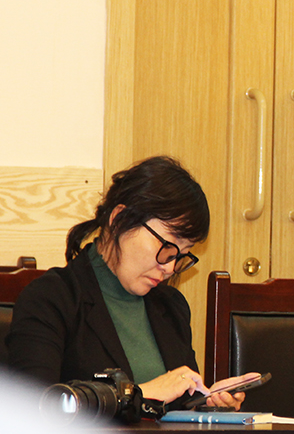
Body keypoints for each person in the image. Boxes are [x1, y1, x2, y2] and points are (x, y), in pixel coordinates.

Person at [7, 156, 256, 409]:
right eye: (167, 247)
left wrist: (205, 404)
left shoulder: (171, 306)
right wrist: (139, 393)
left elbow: (173, 406)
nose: (169, 268)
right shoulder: (51, 298)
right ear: (119, 219)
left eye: (181, 255)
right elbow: (34, 410)